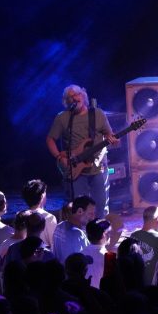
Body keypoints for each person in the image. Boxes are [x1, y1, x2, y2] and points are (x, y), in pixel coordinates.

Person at [46, 84, 118, 216]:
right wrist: (59, 157)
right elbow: (50, 139)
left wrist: (113, 140)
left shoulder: (97, 114)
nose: (74, 98)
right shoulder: (62, 118)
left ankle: (98, 228)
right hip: (76, 170)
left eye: (77, 94)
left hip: (97, 168)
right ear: (66, 101)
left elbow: (109, 134)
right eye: (70, 97)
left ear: (83, 96)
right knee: (79, 209)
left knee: (100, 206)